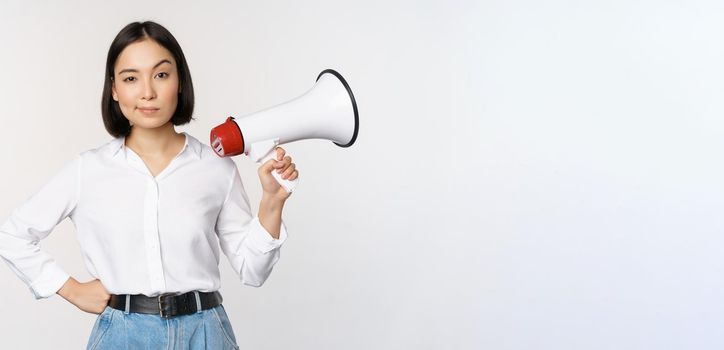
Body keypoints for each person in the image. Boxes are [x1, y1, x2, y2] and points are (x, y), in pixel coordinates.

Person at [0, 21, 298, 349]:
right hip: (122, 336)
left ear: (179, 81)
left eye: (161, 74)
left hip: (206, 334)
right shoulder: (89, 170)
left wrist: (272, 201)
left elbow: (253, 272)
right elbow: (12, 235)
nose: (147, 92)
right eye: (130, 78)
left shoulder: (216, 167)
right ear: (114, 89)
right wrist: (70, 289)